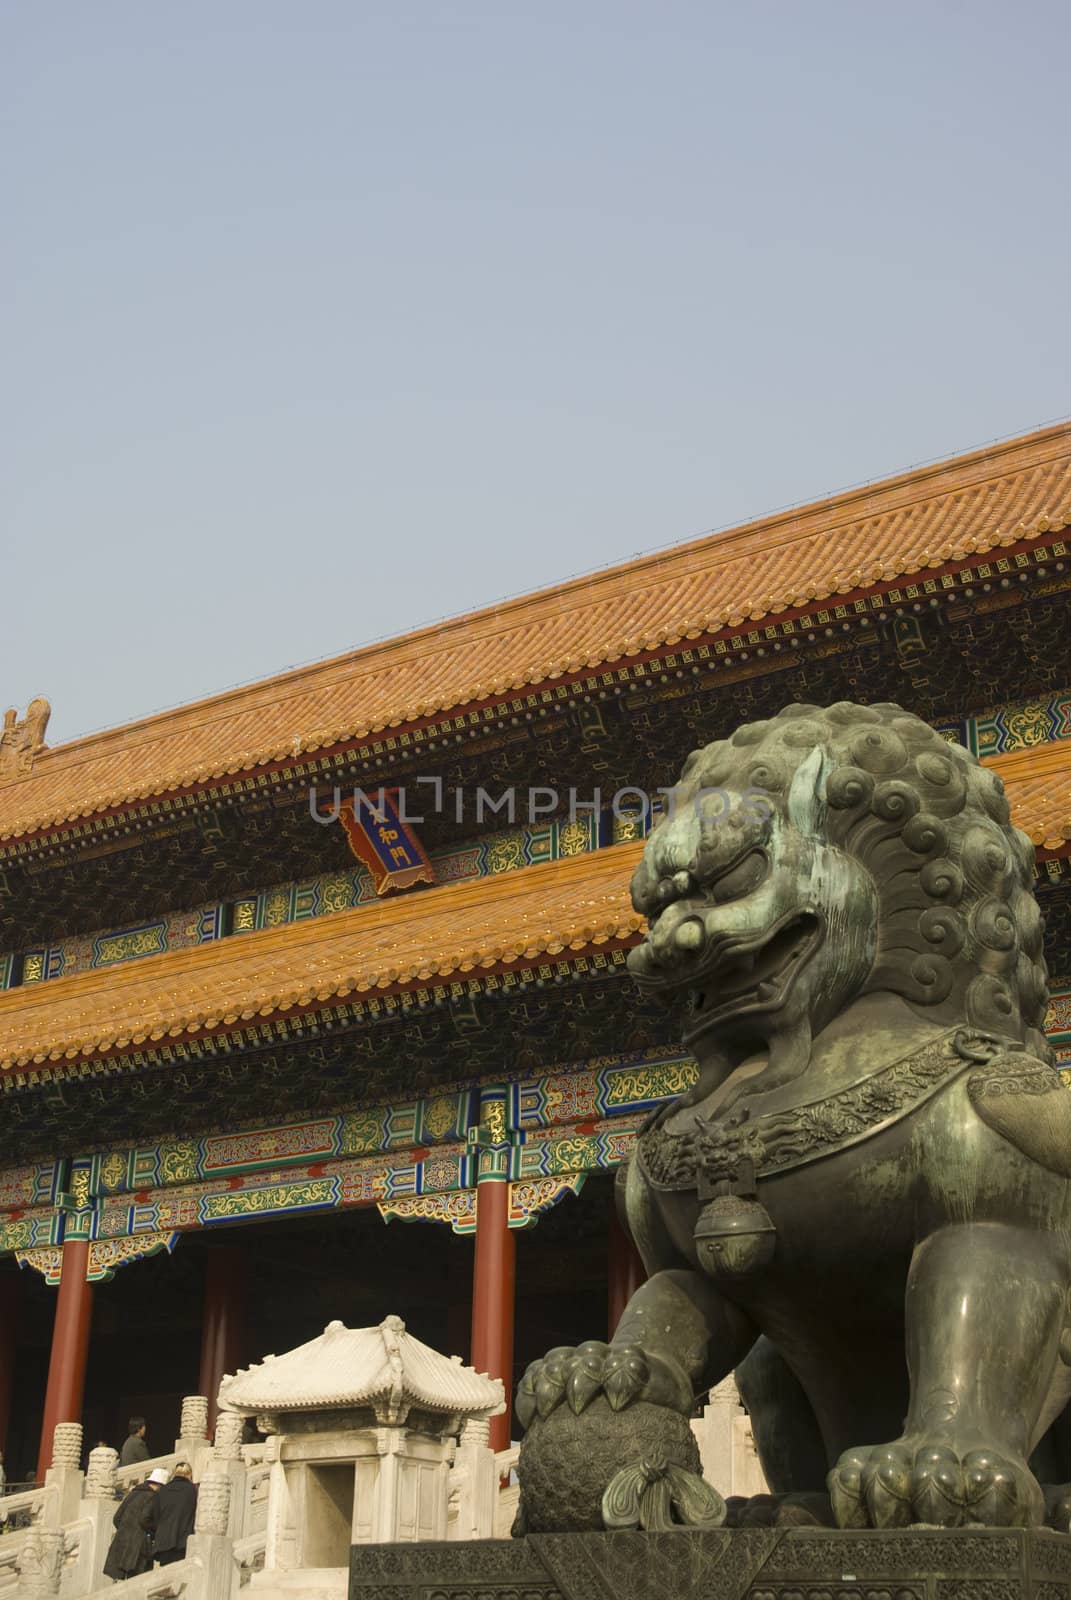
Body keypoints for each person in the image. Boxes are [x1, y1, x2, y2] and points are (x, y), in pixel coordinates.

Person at [102, 1468, 167, 1581]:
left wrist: (125, 1530)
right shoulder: (153, 1497)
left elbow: (117, 1518)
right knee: (136, 1580)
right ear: (159, 1485)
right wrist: (153, 1531)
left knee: (120, 1579)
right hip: (138, 1546)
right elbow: (144, 1519)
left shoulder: (133, 1493)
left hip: (122, 1542)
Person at [153, 1462, 198, 1565]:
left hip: (163, 1539)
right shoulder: (193, 1490)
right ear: (190, 1474)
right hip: (182, 1540)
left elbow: (156, 1514)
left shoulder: (163, 1489)